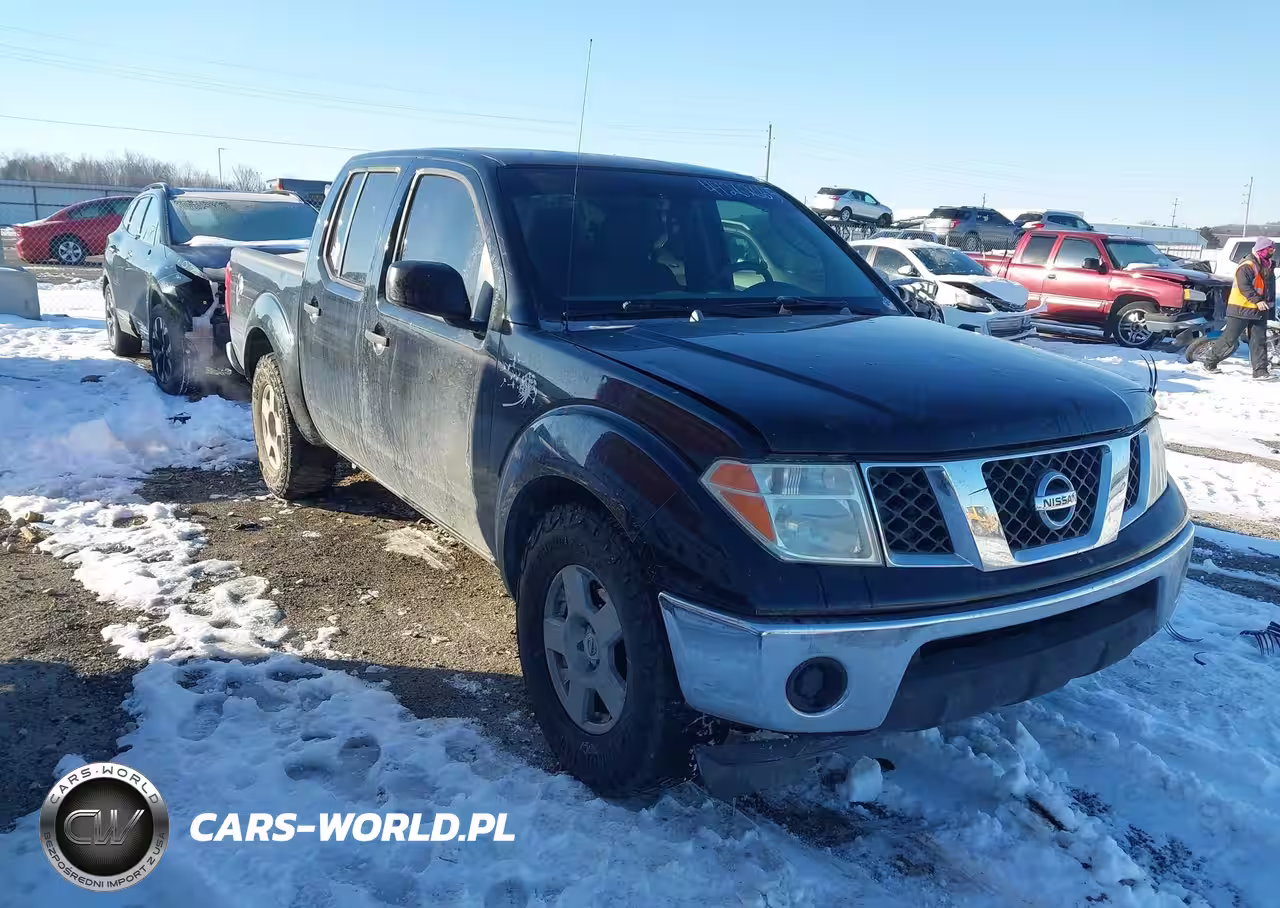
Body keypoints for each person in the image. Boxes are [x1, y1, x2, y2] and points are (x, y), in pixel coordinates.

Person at [1202, 237, 1276, 381]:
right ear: (1262, 250)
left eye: (1273, 249)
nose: (1272, 252)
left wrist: (1269, 306)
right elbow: (1244, 286)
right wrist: (1258, 300)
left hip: (1259, 310)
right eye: (1270, 249)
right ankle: (1209, 362)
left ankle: (1260, 372)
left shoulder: (1268, 266)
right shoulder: (1247, 265)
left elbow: (1269, 289)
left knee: (1259, 341)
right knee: (1229, 339)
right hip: (1240, 309)